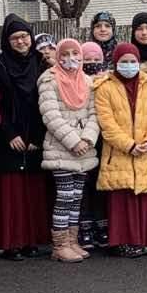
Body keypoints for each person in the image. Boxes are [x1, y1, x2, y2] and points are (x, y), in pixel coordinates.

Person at [0, 15, 51, 261]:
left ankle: (31, 240)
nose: (21, 42)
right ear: (7, 41)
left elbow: (47, 100)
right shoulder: (0, 66)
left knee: (33, 192)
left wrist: (37, 134)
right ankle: (10, 241)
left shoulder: (41, 62)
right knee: (11, 193)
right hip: (9, 136)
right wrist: (10, 133)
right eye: (15, 38)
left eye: (24, 36)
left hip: (36, 133)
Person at [95, 42, 147, 258]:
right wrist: (129, 145)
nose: (130, 65)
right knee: (122, 199)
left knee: (141, 195)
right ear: (115, 63)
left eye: (133, 61)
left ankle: (142, 238)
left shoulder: (146, 84)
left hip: (144, 151)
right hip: (119, 152)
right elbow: (107, 123)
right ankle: (122, 241)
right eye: (124, 62)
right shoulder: (105, 87)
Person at [38, 38, 99, 263]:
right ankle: (60, 244)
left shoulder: (87, 80)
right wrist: (74, 141)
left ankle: (73, 240)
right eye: (65, 53)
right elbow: (50, 116)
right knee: (64, 197)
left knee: (77, 197)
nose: (71, 58)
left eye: (75, 53)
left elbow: (95, 113)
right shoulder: (48, 80)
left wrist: (88, 138)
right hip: (61, 150)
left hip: (84, 150)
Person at [76, 41, 110, 250]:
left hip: (104, 139)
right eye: (87, 60)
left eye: (96, 60)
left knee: (100, 185)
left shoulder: (108, 80)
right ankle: (84, 226)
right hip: (83, 139)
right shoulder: (76, 81)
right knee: (84, 186)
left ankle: (102, 224)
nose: (92, 64)